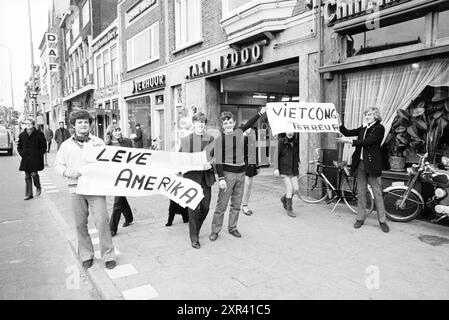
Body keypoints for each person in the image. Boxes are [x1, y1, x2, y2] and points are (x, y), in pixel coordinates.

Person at [54, 110, 116, 269]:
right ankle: (86, 254)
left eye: (86, 122)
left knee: (102, 221)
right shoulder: (66, 146)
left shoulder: (98, 142)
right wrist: (67, 172)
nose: (83, 125)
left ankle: (108, 255)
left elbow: (107, 162)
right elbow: (58, 165)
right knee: (80, 224)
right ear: (73, 126)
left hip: (95, 188)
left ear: (90, 125)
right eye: (79, 122)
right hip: (76, 189)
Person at [209, 107, 266, 241]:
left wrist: (260, 113)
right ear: (222, 126)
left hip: (241, 174)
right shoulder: (220, 140)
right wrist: (221, 177)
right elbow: (218, 160)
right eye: (225, 123)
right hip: (227, 175)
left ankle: (232, 228)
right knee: (221, 205)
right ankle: (215, 230)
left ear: (234, 123)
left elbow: (250, 123)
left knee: (236, 204)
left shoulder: (240, 132)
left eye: (230, 123)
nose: (228, 125)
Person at [336, 107, 390, 233]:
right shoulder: (364, 127)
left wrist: (349, 142)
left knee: (377, 193)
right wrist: (339, 121)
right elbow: (348, 132)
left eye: (369, 114)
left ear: (376, 116)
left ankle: (382, 221)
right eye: (366, 114)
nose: (367, 116)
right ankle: (360, 218)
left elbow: (368, 142)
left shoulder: (379, 128)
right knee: (361, 192)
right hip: (360, 164)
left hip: (373, 165)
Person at [179, 112, 215, 249]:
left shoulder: (210, 139)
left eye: (203, 122)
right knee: (193, 208)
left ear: (205, 124)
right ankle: (194, 237)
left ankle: (196, 228)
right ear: (193, 124)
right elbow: (180, 157)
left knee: (205, 207)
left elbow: (215, 155)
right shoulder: (186, 140)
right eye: (198, 122)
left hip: (206, 178)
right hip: (192, 178)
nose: (200, 124)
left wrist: (211, 163)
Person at [104, 124, 134, 237]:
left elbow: (134, 156)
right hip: (113, 175)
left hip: (125, 174)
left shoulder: (127, 142)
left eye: (119, 130)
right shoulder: (106, 145)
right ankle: (129, 217)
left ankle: (112, 229)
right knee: (121, 198)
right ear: (110, 133)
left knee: (117, 202)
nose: (118, 132)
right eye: (115, 131)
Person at [17, 118, 47, 200]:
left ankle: (38, 187)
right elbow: (19, 146)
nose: (28, 125)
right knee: (27, 176)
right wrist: (22, 153)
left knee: (34, 174)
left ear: (33, 124)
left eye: (29, 123)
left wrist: (39, 154)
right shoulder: (22, 135)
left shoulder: (39, 134)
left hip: (35, 158)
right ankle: (29, 194)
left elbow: (44, 146)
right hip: (26, 159)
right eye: (26, 124)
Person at [274, 132, 300, 217]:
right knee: (290, 188)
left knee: (296, 189)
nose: (289, 133)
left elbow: (296, 154)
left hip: (293, 169)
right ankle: (289, 209)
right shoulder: (281, 141)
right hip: (284, 169)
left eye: (291, 131)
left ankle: (284, 199)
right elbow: (276, 155)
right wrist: (276, 168)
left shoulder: (296, 141)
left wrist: (298, 162)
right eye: (288, 130)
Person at [241, 126, 259, 216]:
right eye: (248, 128)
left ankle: (246, 204)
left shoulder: (252, 139)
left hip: (252, 164)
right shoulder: (242, 137)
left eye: (252, 130)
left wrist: (257, 165)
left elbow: (255, 152)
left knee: (249, 185)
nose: (251, 131)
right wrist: (245, 135)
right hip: (244, 164)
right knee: (247, 185)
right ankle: (244, 205)